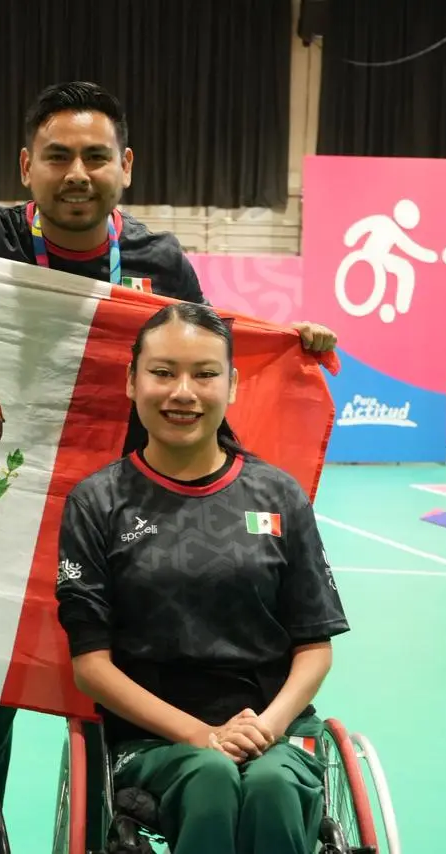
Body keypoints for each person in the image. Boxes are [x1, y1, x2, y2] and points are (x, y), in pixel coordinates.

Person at [0, 80, 338, 803]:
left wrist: (289, 346)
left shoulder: (159, 260)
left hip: (122, 529)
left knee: (134, 699)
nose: (77, 173)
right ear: (26, 166)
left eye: (95, 157)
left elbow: (205, 362)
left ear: (126, 166)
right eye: (58, 156)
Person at [53, 302, 350, 854]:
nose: (182, 392)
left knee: (271, 786)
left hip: (273, 734)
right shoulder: (96, 503)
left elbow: (315, 646)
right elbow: (92, 668)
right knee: (211, 778)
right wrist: (201, 735)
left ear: (232, 385)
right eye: (163, 373)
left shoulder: (278, 495)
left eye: (205, 374)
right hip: (152, 742)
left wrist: (265, 728)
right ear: (131, 381)